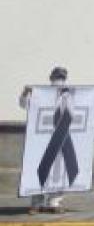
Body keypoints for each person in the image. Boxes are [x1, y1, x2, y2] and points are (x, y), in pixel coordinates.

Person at [19, 67, 71, 215]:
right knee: (39, 170)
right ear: (50, 78)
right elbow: (24, 105)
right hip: (40, 139)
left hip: (60, 139)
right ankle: (37, 203)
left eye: (61, 78)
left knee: (58, 171)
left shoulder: (68, 95)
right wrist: (25, 93)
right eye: (56, 77)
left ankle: (54, 202)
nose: (58, 80)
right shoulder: (40, 94)